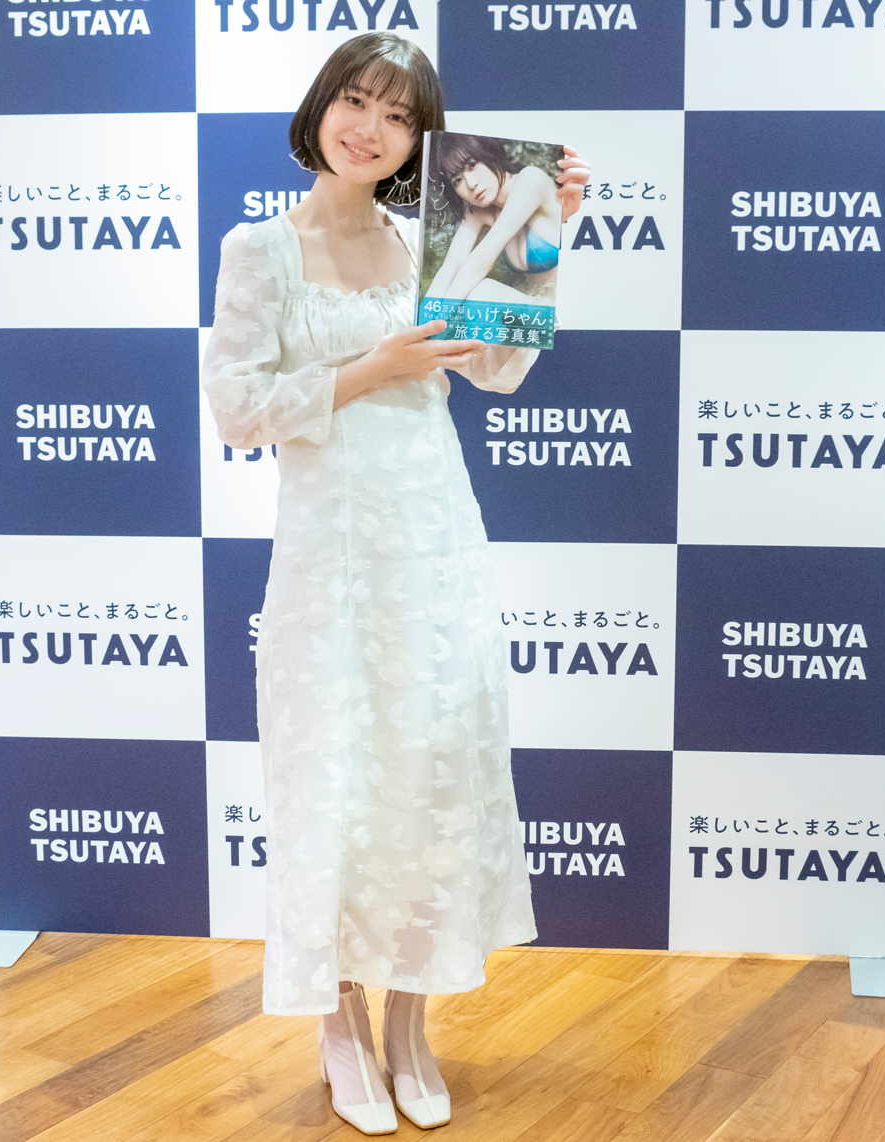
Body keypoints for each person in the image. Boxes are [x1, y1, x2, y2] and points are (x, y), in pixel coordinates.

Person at [202, 33, 589, 1136]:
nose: (370, 127)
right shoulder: (260, 250)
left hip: (434, 546)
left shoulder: (436, 237)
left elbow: (500, 368)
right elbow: (238, 410)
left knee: (430, 780)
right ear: (321, 108)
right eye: (355, 101)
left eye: (398, 114)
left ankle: (412, 1023)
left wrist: (547, 233)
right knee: (331, 785)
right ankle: (339, 1029)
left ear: (421, 138)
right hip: (327, 561)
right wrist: (374, 367)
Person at [425, 132, 574, 307]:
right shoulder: (479, 211)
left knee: (478, 293)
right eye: (457, 180)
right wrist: (425, 316)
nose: (471, 183)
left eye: (472, 165)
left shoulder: (531, 180)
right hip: (533, 312)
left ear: (488, 154)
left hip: (565, 309)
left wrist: (441, 315)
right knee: (478, 293)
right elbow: (451, 265)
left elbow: (482, 259)